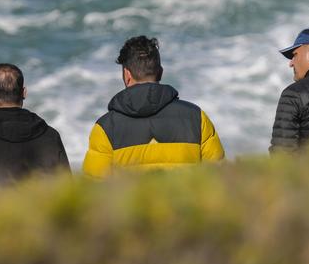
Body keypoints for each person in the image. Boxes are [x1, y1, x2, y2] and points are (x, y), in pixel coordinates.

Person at [82, 36, 225, 178]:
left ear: (127, 75)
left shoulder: (105, 128)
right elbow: (219, 177)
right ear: (160, 72)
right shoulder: (196, 118)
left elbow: (93, 188)